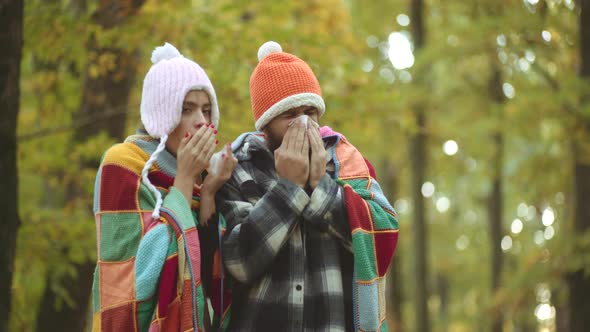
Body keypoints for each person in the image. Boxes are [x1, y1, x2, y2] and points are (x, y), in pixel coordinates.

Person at [217, 41, 400, 331]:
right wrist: (289, 187)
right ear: (265, 126)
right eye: (290, 115)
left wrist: (320, 185)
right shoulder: (238, 168)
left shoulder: (346, 164)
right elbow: (238, 262)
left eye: (310, 113)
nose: (304, 124)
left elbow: (382, 235)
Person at [91, 42, 236, 331]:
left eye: (207, 111)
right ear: (162, 115)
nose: (201, 122)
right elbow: (140, 274)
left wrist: (207, 193)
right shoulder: (122, 163)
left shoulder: (204, 175)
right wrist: (183, 178)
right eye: (187, 109)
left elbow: (207, 273)